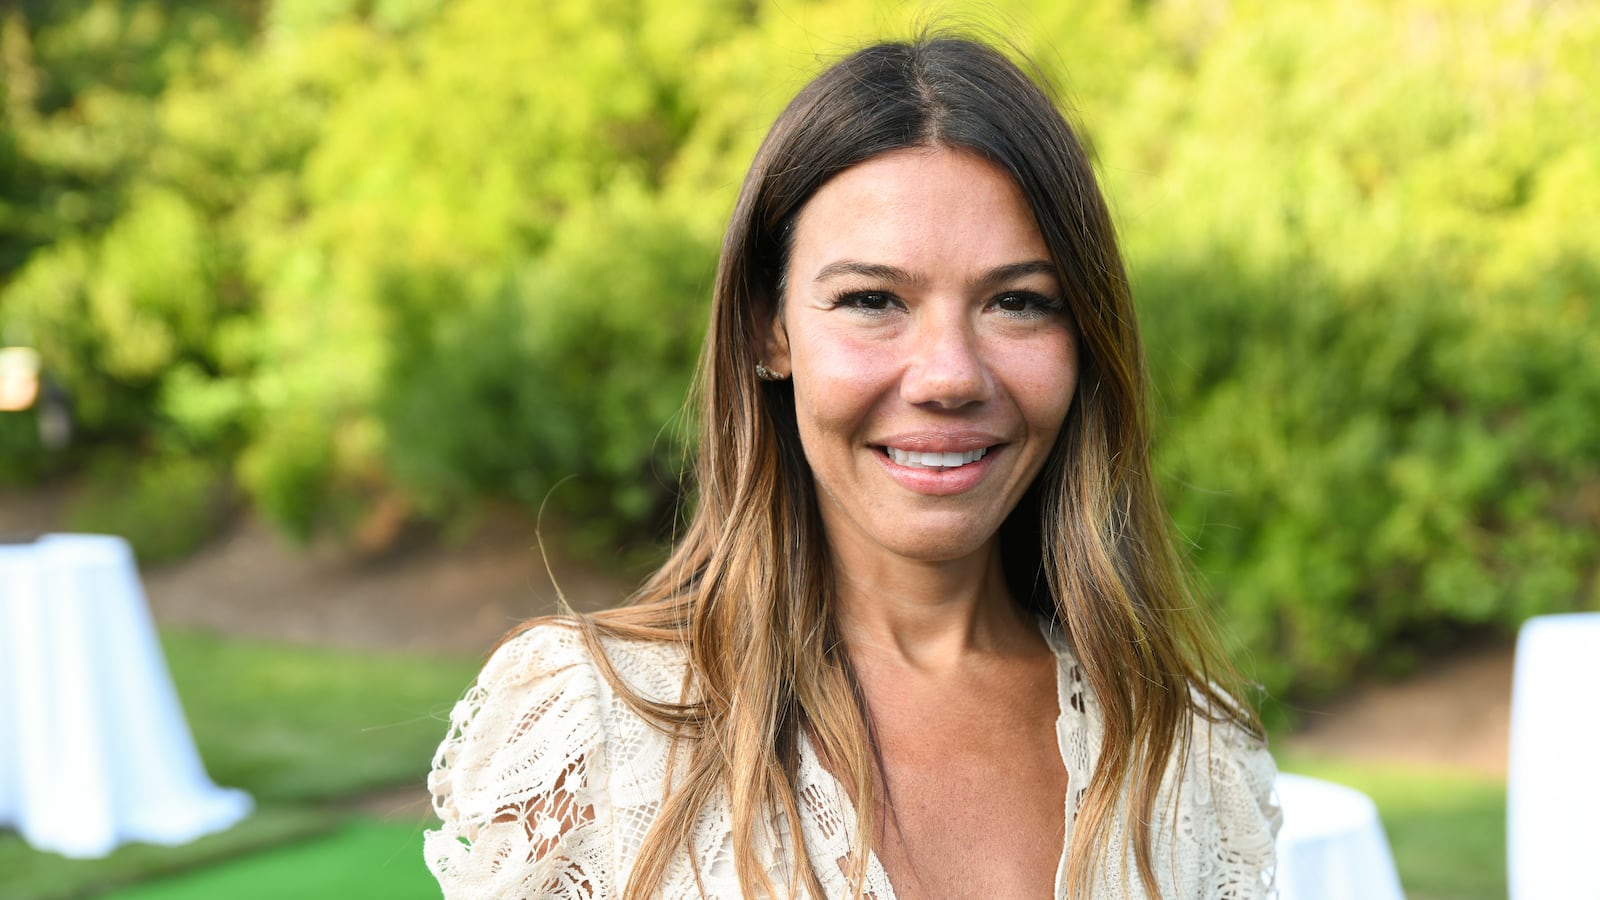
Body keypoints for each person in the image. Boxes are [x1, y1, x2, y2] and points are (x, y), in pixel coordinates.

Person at [426, 32, 1280, 900]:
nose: (949, 374)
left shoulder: (1189, 751)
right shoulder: (595, 733)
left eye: (1018, 302)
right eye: (873, 300)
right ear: (769, 327)